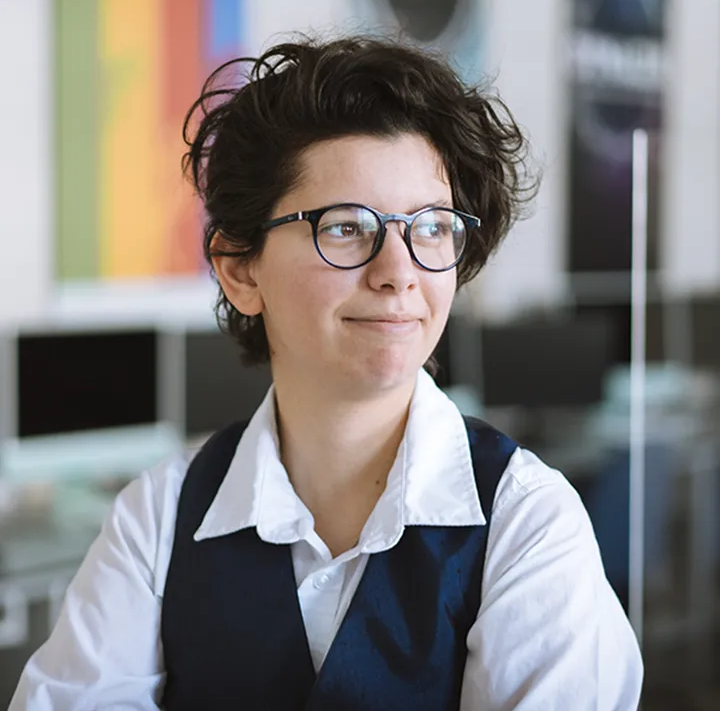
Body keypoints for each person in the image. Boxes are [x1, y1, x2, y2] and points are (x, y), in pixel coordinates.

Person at [11, 35, 642, 710]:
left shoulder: (527, 523)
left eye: (430, 227)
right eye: (345, 227)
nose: (399, 272)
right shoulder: (158, 517)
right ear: (239, 269)